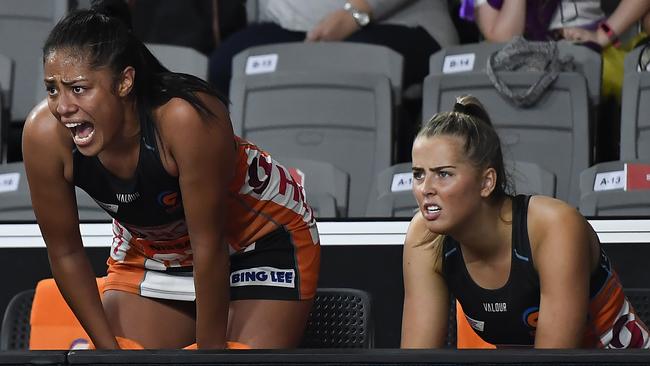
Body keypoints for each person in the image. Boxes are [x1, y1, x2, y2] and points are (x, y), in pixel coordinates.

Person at [22, 2, 320, 350]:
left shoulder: (185, 118)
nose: (63, 107)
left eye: (78, 88)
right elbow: (66, 253)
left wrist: (211, 355)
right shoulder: (43, 134)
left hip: (260, 241)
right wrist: (107, 352)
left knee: (235, 362)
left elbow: (209, 245)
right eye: (52, 89)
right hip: (156, 252)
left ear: (124, 82)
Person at [400, 95, 650, 349]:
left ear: (486, 182)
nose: (425, 189)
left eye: (443, 174)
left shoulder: (554, 227)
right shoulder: (424, 237)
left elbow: (554, 362)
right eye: (418, 174)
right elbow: (415, 358)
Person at [208, 0, 459, 97]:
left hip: (399, 21)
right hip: (290, 25)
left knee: (347, 72)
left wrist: (356, 12)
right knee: (225, 66)